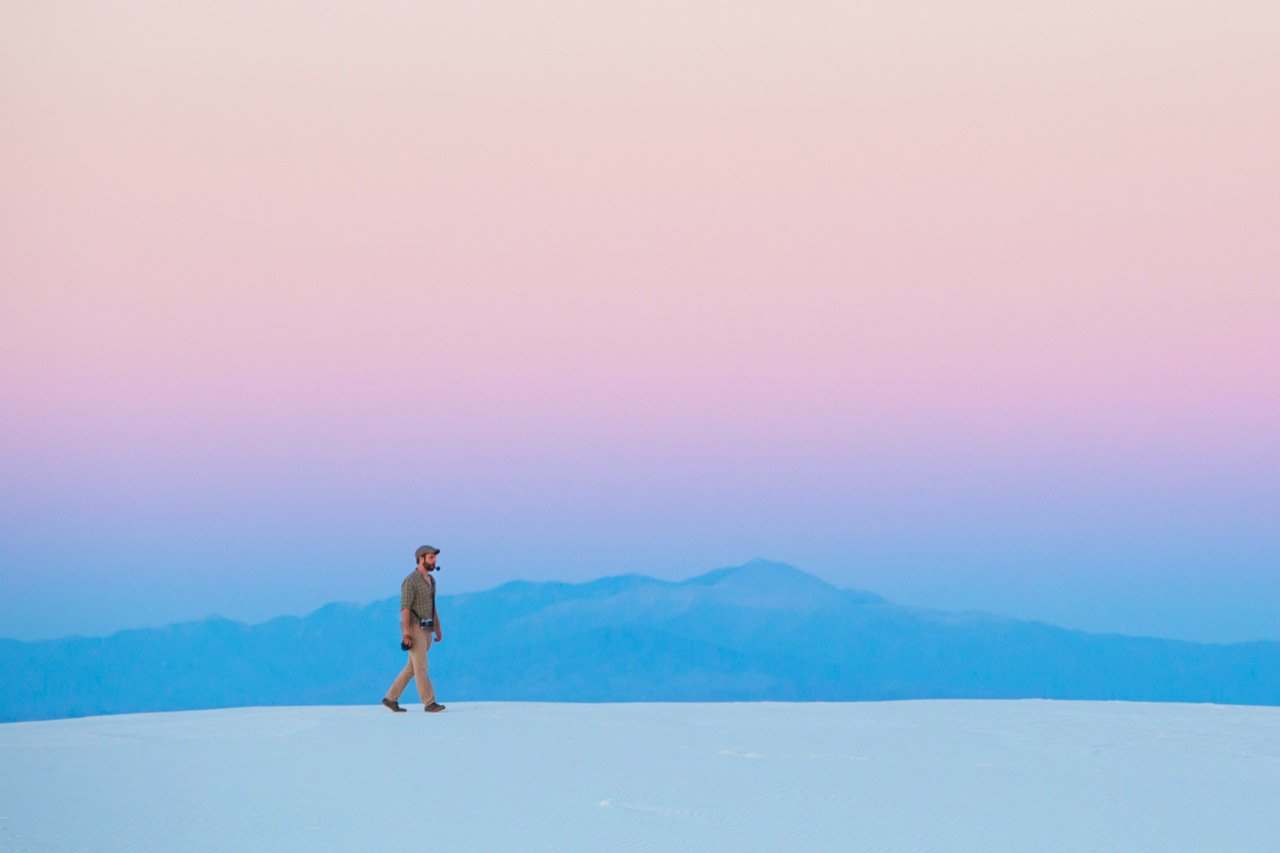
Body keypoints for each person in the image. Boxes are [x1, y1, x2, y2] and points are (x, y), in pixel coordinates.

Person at [381, 545, 446, 713]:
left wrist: (437, 628)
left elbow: (433, 607)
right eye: (431, 558)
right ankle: (429, 702)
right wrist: (407, 632)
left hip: (427, 629)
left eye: (434, 558)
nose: (434, 561)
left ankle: (390, 698)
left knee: (412, 667)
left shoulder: (431, 581)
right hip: (415, 628)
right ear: (421, 559)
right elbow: (405, 608)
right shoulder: (410, 581)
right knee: (421, 667)